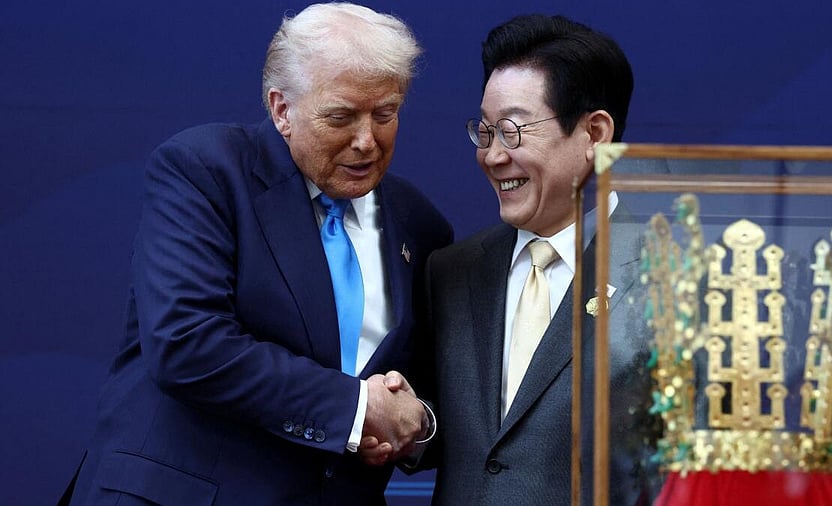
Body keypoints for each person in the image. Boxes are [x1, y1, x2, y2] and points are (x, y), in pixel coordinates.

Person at [60, 3, 453, 505]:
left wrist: (417, 424)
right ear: (281, 108)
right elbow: (187, 342)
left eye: (385, 114)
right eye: (340, 116)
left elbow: (427, 394)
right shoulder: (207, 171)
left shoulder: (419, 224)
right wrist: (355, 408)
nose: (366, 141)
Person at [421, 14, 655, 505]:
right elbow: (441, 436)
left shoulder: (670, 276)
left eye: (511, 131)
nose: (491, 156)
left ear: (594, 134)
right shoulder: (452, 272)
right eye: (483, 133)